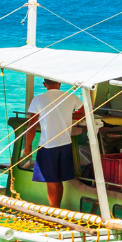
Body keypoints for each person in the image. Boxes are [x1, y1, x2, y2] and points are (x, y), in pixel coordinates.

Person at [23, 77, 81, 208]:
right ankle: (57, 209)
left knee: (51, 181)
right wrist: (69, 115)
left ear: (44, 84)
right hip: (66, 143)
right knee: (58, 180)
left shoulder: (38, 99)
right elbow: (83, 111)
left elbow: (31, 125)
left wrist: (28, 146)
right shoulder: (70, 97)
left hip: (48, 145)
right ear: (59, 83)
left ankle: (54, 211)